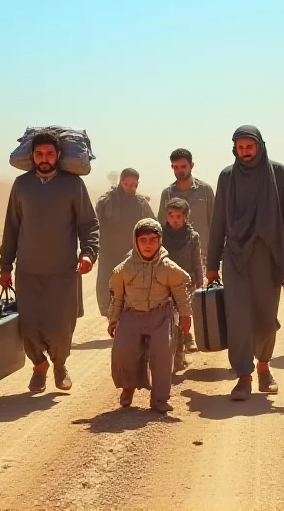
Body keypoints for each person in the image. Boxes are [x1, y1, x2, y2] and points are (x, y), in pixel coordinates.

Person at [206, 126, 284, 401]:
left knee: (265, 320)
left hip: (269, 257)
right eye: (240, 148)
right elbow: (218, 221)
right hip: (236, 259)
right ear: (234, 149)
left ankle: (264, 368)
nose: (245, 152)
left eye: (249, 147)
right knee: (239, 319)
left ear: (260, 146)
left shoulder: (278, 174)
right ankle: (244, 376)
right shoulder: (227, 177)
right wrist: (211, 262)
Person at [0, 131, 100, 393]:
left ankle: (60, 365)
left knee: (59, 327)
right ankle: (39, 365)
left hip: (63, 272)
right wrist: (5, 266)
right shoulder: (21, 185)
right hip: (28, 272)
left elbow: (89, 225)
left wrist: (88, 253)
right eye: (39, 154)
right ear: (32, 156)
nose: (44, 159)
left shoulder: (73, 185)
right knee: (29, 327)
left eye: (49, 154)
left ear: (58, 156)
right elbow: (11, 227)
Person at [107, 218, 193, 413]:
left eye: (153, 240)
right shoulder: (123, 270)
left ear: (160, 241)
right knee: (123, 351)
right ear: (135, 241)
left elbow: (180, 293)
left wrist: (186, 317)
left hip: (160, 316)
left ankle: (159, 399)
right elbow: (117, 298)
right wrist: (114, 320)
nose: (148, 245)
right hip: (132, 316)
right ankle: (128, 387)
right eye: (143, 240)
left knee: (162, 356)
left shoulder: (168, 267)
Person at [157, 148, 214, 353]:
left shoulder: (205, 190)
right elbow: (159, 226)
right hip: (171, 258)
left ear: (191, 165)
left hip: (201, 253)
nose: (179, 170)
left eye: (183, 166)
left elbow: (214, 221)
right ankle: (181, 340)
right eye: (175, 167)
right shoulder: (167, 194)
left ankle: (191, 335)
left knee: (195, 299)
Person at [95, 168, 154, 317]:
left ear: (137, 184)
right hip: (108, 251)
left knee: (132, 286)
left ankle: (128, 318)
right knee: (106, 284)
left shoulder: (142, 203)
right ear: (120, 181)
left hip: (132, 251)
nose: (129, 187)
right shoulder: (105, 201)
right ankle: (111, 316)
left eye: (132, 184)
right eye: (126, 183)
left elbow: (153, 226)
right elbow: (94, 225)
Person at [162, 197, 203, 371]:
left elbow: (196, 259)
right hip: (164, 283)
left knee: (180, 320)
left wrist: (200, 279)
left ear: (186, 217)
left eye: (179, 216)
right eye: (171, 216)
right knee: (166, 320)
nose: (175, 220)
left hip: (186, 283)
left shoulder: (193, 237)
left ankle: (179, 356)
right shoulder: (159, 235)